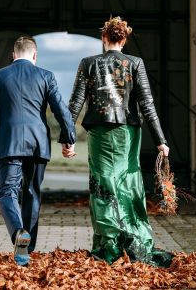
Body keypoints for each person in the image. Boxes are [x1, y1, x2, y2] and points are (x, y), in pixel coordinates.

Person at [66, 17, 172, 267]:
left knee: (102, 183)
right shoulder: (135, 63)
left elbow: (75, 103)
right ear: (124, 40)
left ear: (104, 38)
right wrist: (161, 140)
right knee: (128, 182)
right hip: (127, 133)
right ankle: (132, 240)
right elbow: (147, 104)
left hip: (99, 133)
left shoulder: (88, 63)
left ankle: (109, 243)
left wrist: (67, 138)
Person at [0, 36, 76, 266]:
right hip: (37, 143)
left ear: (13, 55)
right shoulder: (46, 76)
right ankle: (26, 250)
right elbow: (61, 110)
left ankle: (18, 233)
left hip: (8, 143)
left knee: (6, 192)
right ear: (35, 55)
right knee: (31, 192)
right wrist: (68, 138)